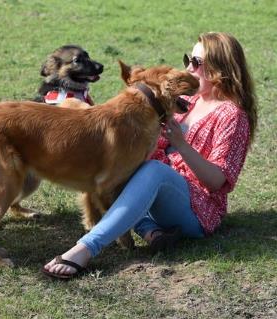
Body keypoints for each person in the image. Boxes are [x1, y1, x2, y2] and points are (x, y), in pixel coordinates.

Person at [42, 32, 258, 280]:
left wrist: (181, 145)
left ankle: (84, 249)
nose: (188, 67)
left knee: (153, 171)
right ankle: (151, 232)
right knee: (123, 164)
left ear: (220, 69)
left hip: (197, 210)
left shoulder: (232, 115)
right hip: (156, 192)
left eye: (196, 63)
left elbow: (217, 181)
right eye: (188, 59)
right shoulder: (187, 99)